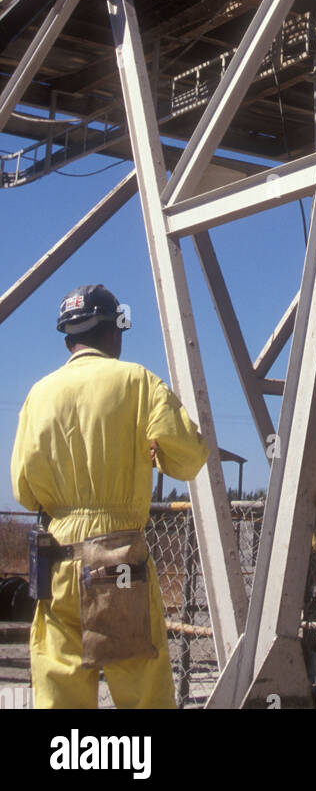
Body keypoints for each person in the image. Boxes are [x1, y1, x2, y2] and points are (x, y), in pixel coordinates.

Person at [11, 284, 209, 709]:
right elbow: (189, 459)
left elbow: (24, 491)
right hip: (119, 562)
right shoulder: (138, 382)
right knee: (143, 693)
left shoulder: (38, 395)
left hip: (57, 562)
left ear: (69, 338)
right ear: (114, 333)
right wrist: (158, 455)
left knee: (59, 696)